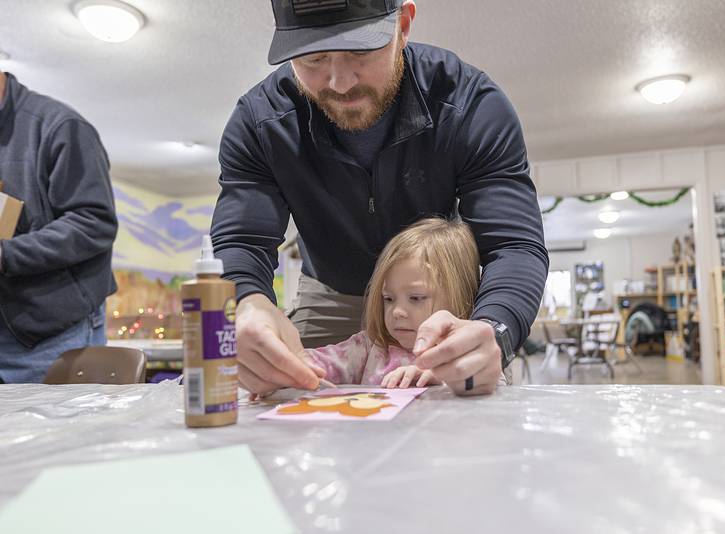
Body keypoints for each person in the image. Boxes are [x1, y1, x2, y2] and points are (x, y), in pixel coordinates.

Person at [211, 0, 548, 397]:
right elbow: (241, 241)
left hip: (434, 295)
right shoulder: (259, 123)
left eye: (360, 50)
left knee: (459, 409)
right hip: (329, 290)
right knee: (293, 400)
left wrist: (495, 326)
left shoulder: (472, 104)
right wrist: (247, 303)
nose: (340, 82)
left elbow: (513, 244)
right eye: (313, 58)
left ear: (402, 26)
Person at [0, 70, 117, 384]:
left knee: (59, 432)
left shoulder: (61, 127)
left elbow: (94, 223)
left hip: (49, 334)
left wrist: (5, 254)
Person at [300, 218, 482, 389]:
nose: (397, 312)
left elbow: (493, 391)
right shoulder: (369, 347)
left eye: (416, 298)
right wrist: (293, 362)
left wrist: (443, 379)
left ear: (460, 295)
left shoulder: (470, 350)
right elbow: (317, 364)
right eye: (388, 298)